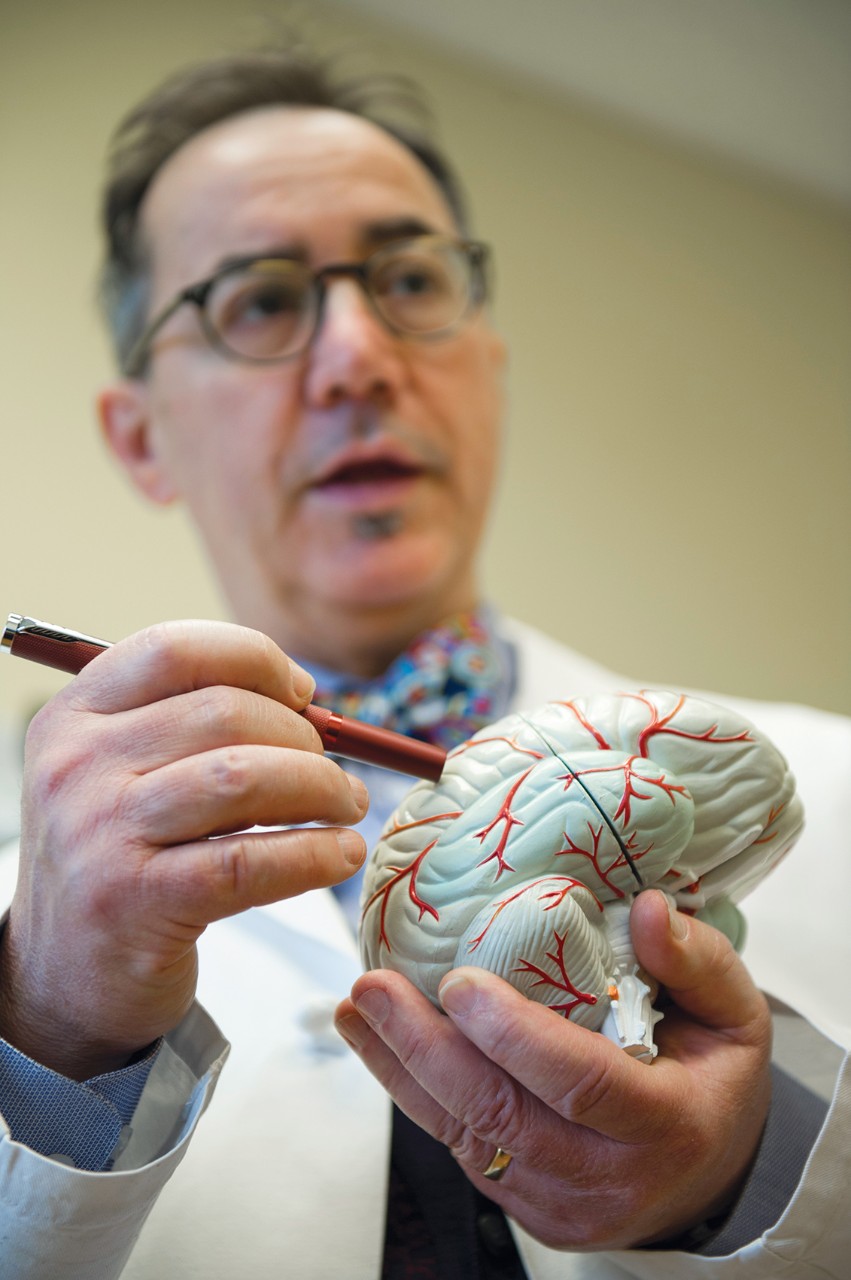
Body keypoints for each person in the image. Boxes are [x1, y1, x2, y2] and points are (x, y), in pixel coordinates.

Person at [0, 38, 848, 1280]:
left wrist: (750, 1182)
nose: (357, 356)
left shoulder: (837, 790)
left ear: (485, 367)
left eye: (407, 279)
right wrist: (51, 1031)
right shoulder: (30, 908)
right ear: (142, 438)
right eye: (263, 301)